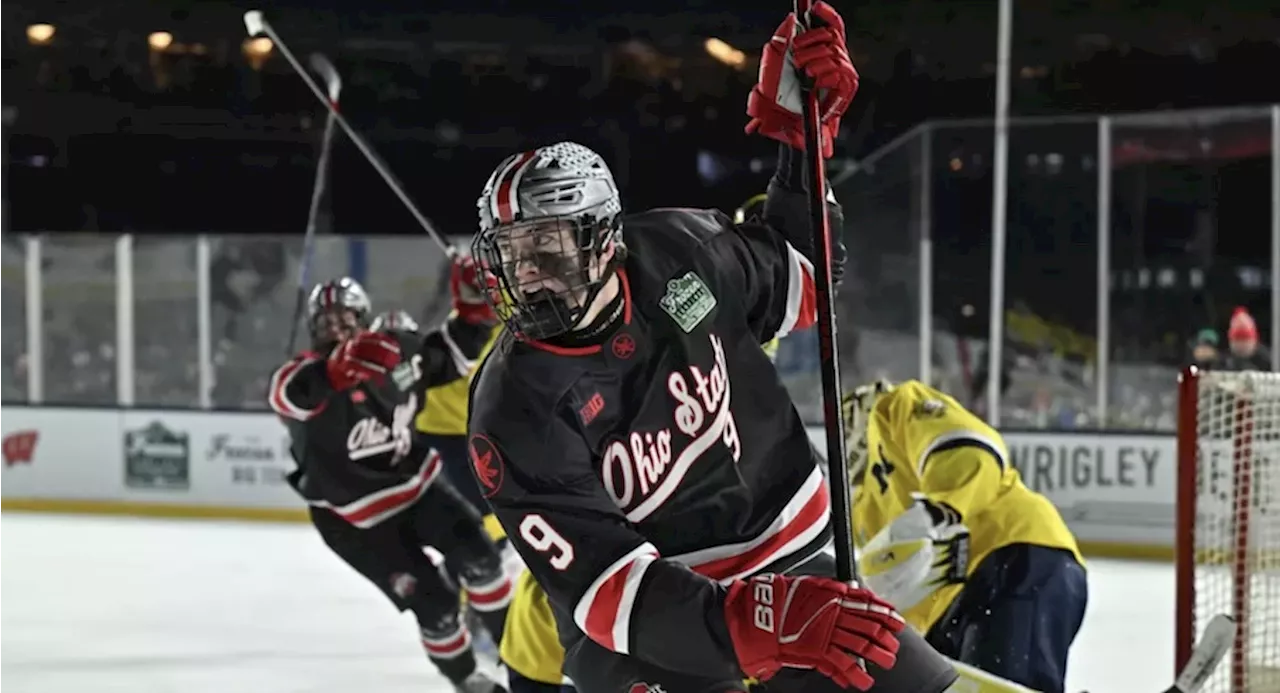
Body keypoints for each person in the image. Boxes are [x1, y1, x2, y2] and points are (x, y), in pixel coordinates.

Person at [466, 3, 958, 692]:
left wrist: (801, 143)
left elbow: (802, 277)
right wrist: (757, 621)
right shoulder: (511, 409)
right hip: (651, 619)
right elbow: (612, 594)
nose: (526, 275)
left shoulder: (682, 252)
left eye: (546, 249)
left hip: (794, 556)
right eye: (511, 256)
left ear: (605, 240)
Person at [268, 277, 512, 693]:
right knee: (434, 605)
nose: (335, 328)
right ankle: (467, 679)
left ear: (364, 319)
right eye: (325, 321)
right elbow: (287, 394)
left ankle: (517, 653)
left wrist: (475, 311)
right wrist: (333, 371)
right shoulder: (309, 376)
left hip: (418, 489)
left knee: (483, 559)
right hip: (354, 522)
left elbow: (449, 355)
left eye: (344, 318)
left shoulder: (396, 354)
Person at [844, 379, 1086, 693]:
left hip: (1012, 554)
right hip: (949, 611)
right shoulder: (862, 511)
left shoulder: (892, 407)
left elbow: (970, 448)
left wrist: (938, 511)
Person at [413, 255, 507, 540]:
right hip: (441, 433)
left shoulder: (509, 321)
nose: (486, 300)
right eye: (475, 292)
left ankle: (496, 547)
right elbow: (465, 350)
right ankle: (494, 550)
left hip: (479, 431)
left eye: (490, 290)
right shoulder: (453, 337)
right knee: (481, 504)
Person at [1221, 306, 1271, 371]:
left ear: (1254, 341)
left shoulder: (1268, 359)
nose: (1241, 345)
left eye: (1245, 341)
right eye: (1237, 341)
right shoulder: (1224, 360)